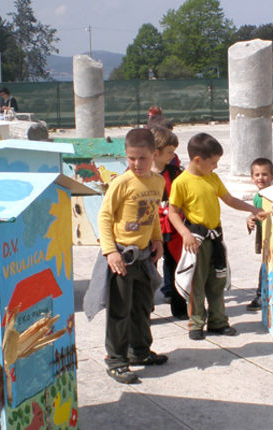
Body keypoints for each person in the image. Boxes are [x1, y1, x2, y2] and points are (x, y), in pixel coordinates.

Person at [168, 133, 266, 340]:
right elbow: (173, 212)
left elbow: (229, 199)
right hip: (196, 240)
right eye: (213, 162)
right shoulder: (181, 182)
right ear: (197, 160)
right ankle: (196, 323)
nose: (215, 167)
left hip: (216, 239)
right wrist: (185, 234)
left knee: (217, 281)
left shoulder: (212, 178)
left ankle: (218, 322)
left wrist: (253, 209)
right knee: (197, 282)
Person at [98, 128, 168, 384]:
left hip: (144, 257)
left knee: (142, 307)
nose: (137, 164)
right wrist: (110, 252)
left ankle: (139, 351)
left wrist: (157, 239)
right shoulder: (121, 183)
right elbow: (105, 217)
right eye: (131, 158)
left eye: (142, 158)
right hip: (122, 258)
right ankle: (116, 360)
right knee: (120, 310)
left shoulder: (157, 182)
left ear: (155, 155)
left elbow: (152, 215)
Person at [149, 126, 188, 320]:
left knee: (175, 267)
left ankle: (179, 307)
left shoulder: (176, 173)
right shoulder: (141, 173)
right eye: (170, 152)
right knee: (148, 269)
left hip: (173, 228)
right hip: (149, 230)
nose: (173, 155)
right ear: (156, 153)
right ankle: (145, 309)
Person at [245, 157, 273, 311]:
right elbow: (255, 214)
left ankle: (265, 294)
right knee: (264, 265)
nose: (260, 178)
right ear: (252, 177)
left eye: (265, 174)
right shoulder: (258, 197)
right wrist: (250, 220)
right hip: (264, 237)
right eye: (257, 175)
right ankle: (261, 294)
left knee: (272, 266)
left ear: (272, 177)